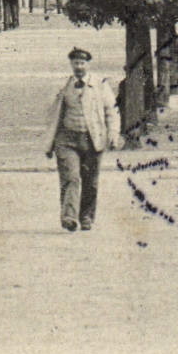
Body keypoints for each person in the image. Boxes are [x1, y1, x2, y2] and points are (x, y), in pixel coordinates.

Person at [43, 47, 122, 232]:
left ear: (88, 64)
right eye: (75, 63)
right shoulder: (63, 86)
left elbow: (112, 111)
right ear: (71, 64)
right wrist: (49, 142)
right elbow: (52, 114)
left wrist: (113, 134)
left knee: (90, 181)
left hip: (93, 139)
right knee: (71, 178)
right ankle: (69, 217)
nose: (79, 67)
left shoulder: (100, 85)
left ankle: (86, 217)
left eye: (82, 63)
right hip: (67, 139)